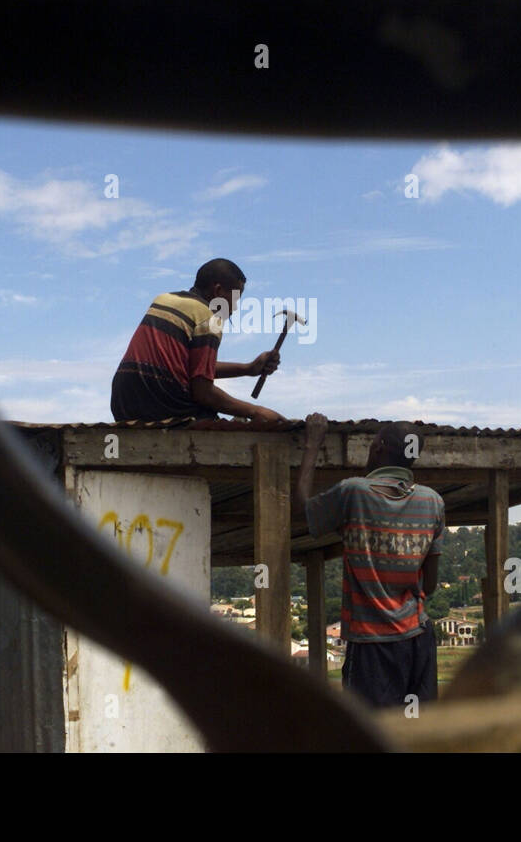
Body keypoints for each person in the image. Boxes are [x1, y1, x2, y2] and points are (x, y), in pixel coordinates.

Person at [297, 413, 445, 709]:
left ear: (377, 448)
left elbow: (303, 509)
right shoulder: (433, 502)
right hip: (418, 638)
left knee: (367, 733)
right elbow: (430, 584)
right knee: (420, 729)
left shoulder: (352, 492)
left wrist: (312, 444)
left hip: (371, 643)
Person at [110, 258, 285, 422]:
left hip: (123, 404)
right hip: (162, 407)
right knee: (229, 424)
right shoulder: (208, 319)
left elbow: (189, 368)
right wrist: (255, 411)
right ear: (218, 291)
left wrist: (248, 368)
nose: (235, 307)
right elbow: (203, 393)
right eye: (235, 298)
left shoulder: (163, 299)